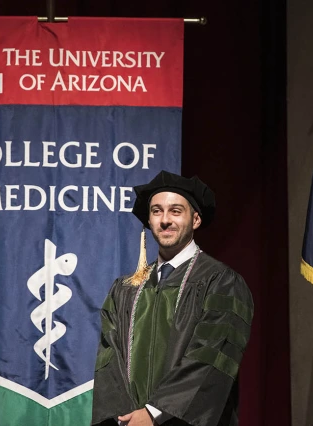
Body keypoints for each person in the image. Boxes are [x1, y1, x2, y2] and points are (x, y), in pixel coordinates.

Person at [91, 171, 254, 426]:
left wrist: (155, 413)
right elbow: (109, 363)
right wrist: (124, 419)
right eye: (157, 211)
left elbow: (211, 356)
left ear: (196, 219)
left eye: (176, 211)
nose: (165, 220)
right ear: (149, 219)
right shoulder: (124, 290)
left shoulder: (221, 282)